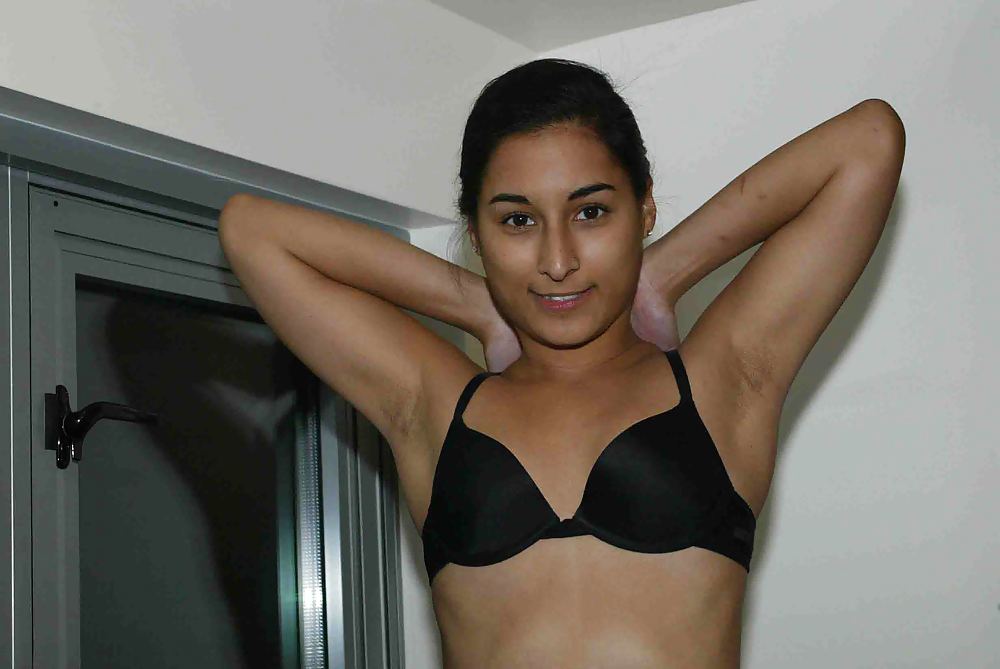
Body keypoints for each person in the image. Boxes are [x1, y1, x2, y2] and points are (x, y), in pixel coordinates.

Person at [218, 59, 904, 668]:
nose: (557, 260)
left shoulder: (723, 381)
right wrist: (480, 305)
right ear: (477, 232)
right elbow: (251, 231)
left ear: (644, 207)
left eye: (591, 211)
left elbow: (869, 140)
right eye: (517, 220)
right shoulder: (432, 405)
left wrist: (663, 274)